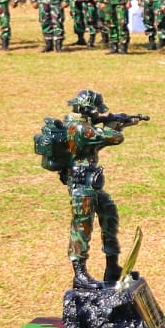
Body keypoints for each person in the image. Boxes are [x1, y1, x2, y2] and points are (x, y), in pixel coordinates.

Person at [58, 90, 129, 282]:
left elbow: (96, 145)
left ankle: (112, 265)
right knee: (82, 226)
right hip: (82, 185)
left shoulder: (83, 127)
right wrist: (114, 125)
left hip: (92, 183)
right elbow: (114, 138)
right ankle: (79, 274)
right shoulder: (80, 129)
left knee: (109, 215)